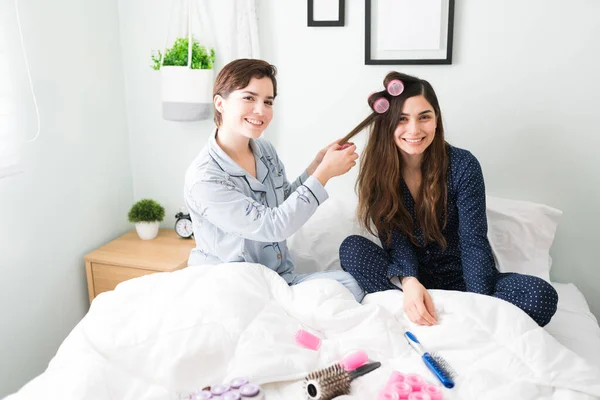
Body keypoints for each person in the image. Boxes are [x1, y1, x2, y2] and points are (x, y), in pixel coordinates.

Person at [338, 72, 558, 326]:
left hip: (467, 278)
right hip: (411, 281)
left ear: (436, 119)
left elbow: (473, 241)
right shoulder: (380, 173)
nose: (414, 130)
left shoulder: (463, 165)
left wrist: (478, 304)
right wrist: (410, 282)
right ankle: (419, 309)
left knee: (541, 296)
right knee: (352, 248)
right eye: (402, 119)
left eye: (424, 117)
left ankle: (444, 316)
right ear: (388, 124)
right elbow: (395, 242)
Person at [184, 58, 365, 302]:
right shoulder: (205, 179)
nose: (261, 110)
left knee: (350, 286)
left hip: (278, 279)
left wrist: (317, 166)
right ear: (220, 103)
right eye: (249, 98)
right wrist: (325, 174)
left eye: (268, 102)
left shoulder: (265, 151)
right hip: (232, 287)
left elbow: (284, 203)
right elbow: (273, 226)